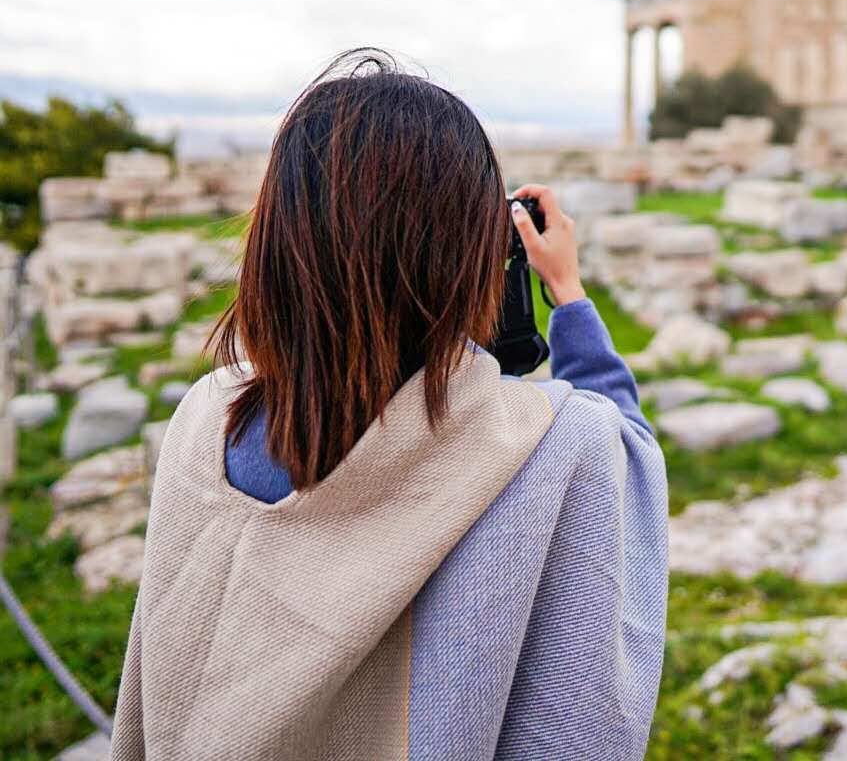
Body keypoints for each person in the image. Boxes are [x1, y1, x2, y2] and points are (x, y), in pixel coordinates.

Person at [109, 51, 668, 760]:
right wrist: (569, 294)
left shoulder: (205, 415)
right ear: (472, 251)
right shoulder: (552, 449)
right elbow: (631, 456)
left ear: (277, 237)